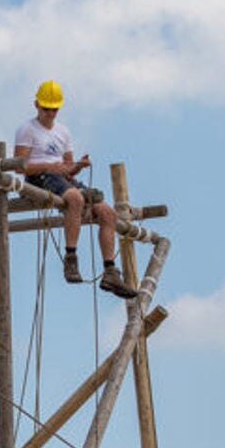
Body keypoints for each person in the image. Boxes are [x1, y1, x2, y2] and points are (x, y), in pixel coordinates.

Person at [13, 80, 138, 299]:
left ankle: (110, 271)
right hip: (39, 177)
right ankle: (70, 258)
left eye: (54, 109)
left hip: (60, 178)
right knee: (75, 199)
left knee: (107, 212)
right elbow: (18, 166)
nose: (51, 113)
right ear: (36, 105)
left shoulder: (64, 132)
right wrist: (49, 166)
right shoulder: (27, 129)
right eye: (46, 109)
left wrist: (77, 166)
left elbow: (68, 171)